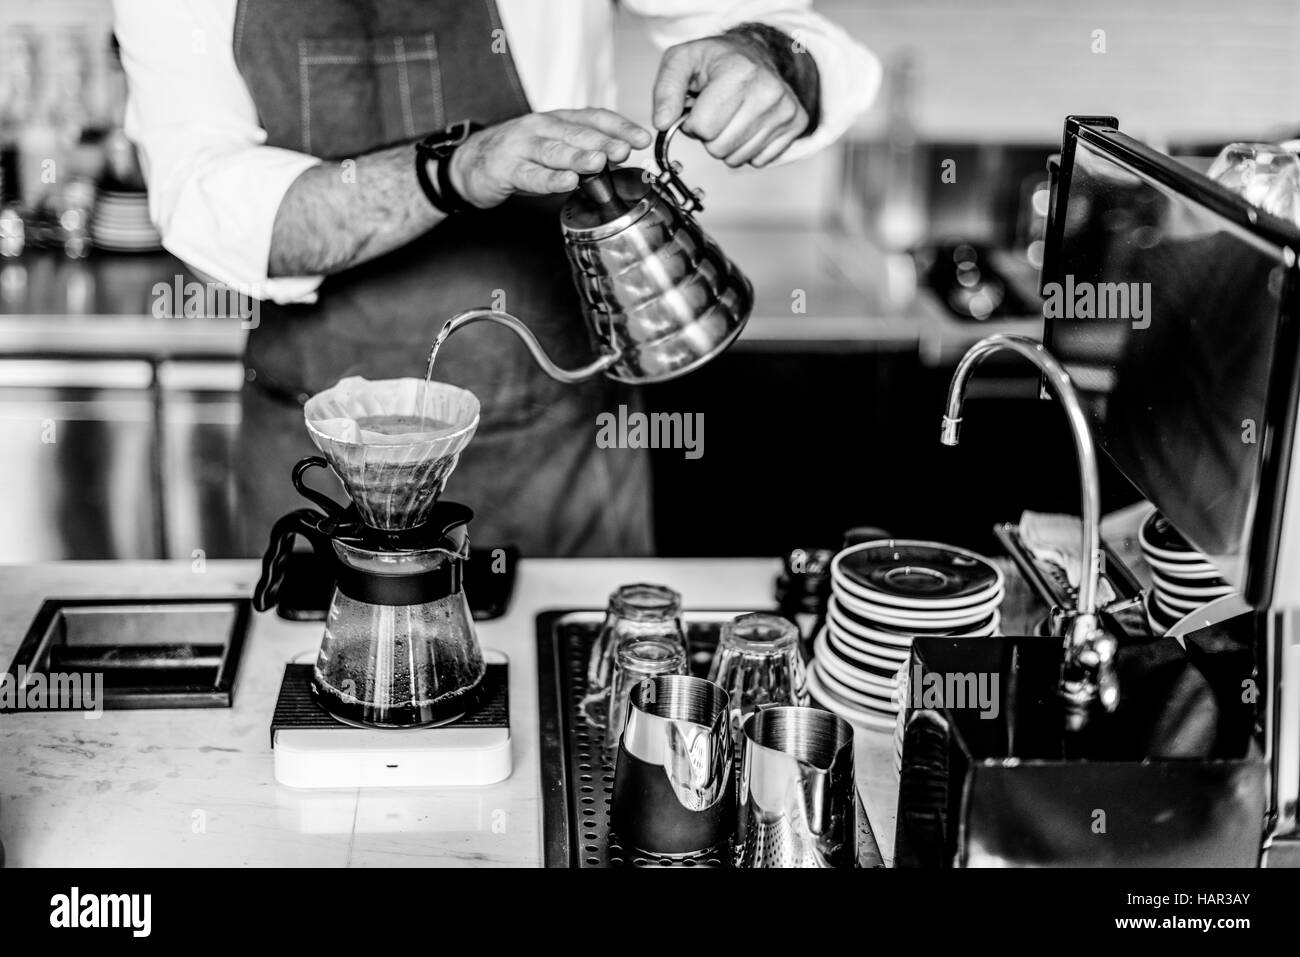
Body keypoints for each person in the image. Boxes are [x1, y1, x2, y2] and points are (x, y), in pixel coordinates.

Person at [113, 0, 878, 556]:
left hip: (554, 445)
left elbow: (806, 45)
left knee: (586, 723)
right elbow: (205, 204)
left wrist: (766, 56)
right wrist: (456, 168)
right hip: (320, 464)